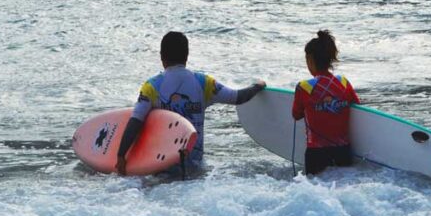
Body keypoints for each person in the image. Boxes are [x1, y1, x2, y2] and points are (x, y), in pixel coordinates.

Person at [115, 31, 265, 175]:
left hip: (160, 169)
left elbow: (136, 121)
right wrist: (257, 86)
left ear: (162, 57)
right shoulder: (203, 83)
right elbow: (238, 97)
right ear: (187, 56)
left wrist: (121, 155)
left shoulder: (151, 86)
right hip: (194, 168)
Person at [291, 30, 360, 175]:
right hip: (343, 150)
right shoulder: (344, 83)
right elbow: (357, 108)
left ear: (310, 59)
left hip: (316, 152)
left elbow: (296, 115)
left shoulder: (304, 87)